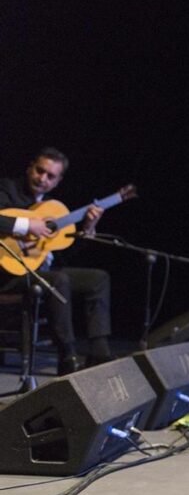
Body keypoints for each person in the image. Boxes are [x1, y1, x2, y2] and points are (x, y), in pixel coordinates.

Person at [0, 147, 113, 375]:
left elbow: (61, 254)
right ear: (30, 167)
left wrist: (88, 229)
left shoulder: (53, 209)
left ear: (58, 181)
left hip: (39, 271)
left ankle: (100, 352)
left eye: (50, 176)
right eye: (39, 171)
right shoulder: (7, 189)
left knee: (98, 279)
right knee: (58, 280)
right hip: (7, 273)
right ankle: (68, 355)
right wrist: (26, 225)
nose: (42, 178)